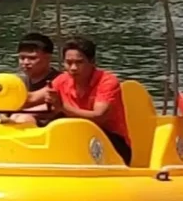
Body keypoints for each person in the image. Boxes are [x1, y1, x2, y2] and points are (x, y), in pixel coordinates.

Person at [28, 36, 132, 165]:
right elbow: (32, 98)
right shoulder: (63, 80)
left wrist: (62, 107)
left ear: (92, 62)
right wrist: (5, 95)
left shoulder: (107, 82)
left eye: (79, 62)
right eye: (68, 62)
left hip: (112, 143)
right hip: (76, 139)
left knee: (67, 128)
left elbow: (98, 116)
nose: (73, 68)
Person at [0, 32, 63, 125]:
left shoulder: (59, 80)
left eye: (32, 58)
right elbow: (7, 112)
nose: (25, 62)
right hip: (19, 123)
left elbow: (31, 101)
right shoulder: (19, 82)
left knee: (23, 118)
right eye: (22, 58)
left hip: (49, 128)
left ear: (48, 58)